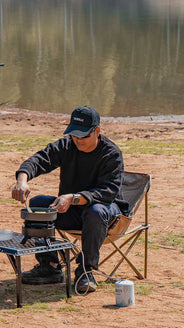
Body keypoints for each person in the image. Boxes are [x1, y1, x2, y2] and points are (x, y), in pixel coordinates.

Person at [12, 106, 126, 293]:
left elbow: (108, 192)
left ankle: (86, 271)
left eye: (83, 136)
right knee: (38, 204)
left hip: (106, 214)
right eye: (74, 135)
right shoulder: (67, 146)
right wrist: (21, 180)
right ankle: (50, 266)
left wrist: (73, 198)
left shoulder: (111, 154)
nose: (78, 140)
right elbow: (39, 160)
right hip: (72, 211)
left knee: (95, 211)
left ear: (97, 131)